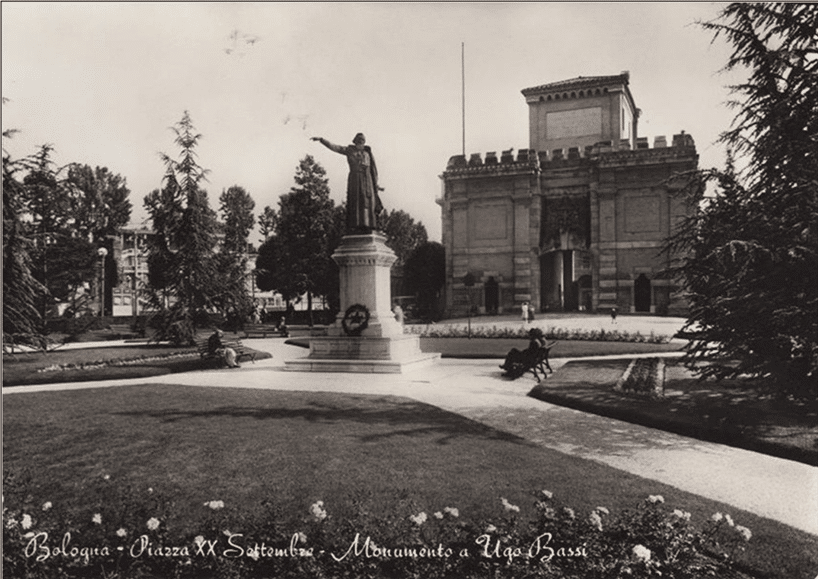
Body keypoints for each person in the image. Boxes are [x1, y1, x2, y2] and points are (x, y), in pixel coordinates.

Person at [312, 133, 383, 232]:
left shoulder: (368, 153)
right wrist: (322, 140)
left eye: (362, 141)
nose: (361, 143)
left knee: (367, 202)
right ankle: (357, 226)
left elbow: (373, 170)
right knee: (356, 202)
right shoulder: (349, 151)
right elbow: (335, 147)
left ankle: (369, 225)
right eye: (359, 141)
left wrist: (376, 185)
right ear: (355, 142)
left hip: (367, 181)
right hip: (355, 180)